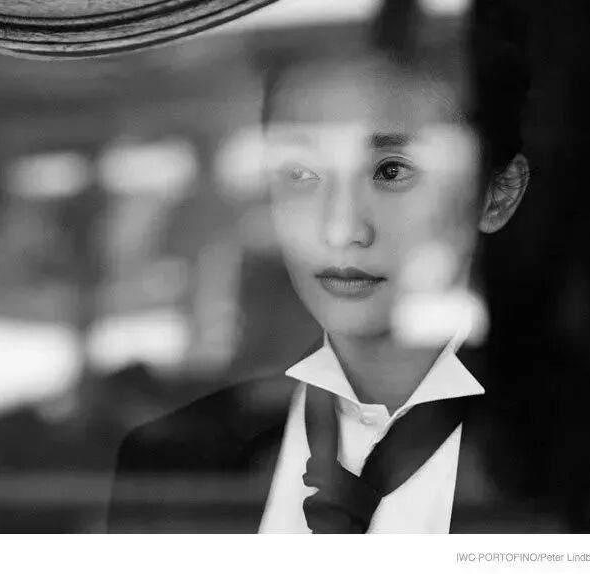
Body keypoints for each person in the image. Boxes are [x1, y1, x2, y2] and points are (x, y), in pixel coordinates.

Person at [107, 0, 555, 533]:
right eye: (299, 173)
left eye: (392, 171)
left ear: (499, 194)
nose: (342, 229)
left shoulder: (587, 454)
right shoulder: (169, 465)